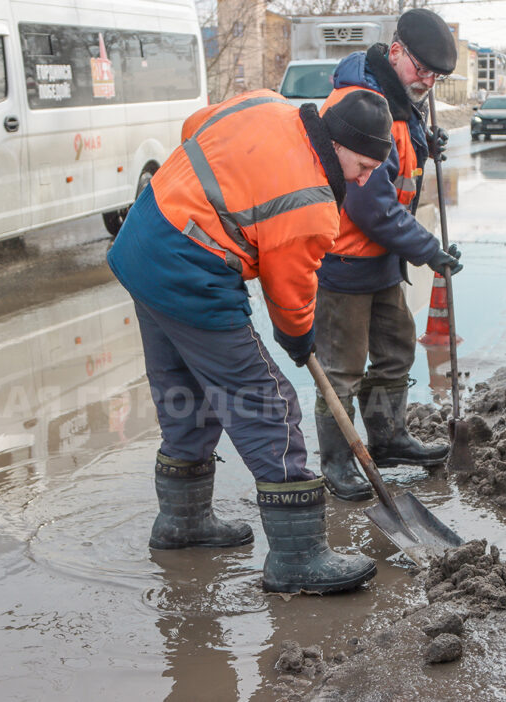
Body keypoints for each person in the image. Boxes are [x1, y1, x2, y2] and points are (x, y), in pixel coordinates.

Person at [107, 88, 394, 594]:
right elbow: (289, 297)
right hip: (190, 266)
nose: (366, 178)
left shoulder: (266, 103)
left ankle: (182, 523)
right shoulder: (312, 203)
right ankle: (298, 558)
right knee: (270, 403)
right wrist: (299, 341)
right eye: (364, 165)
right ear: (340, 143)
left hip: (143, 237)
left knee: (186, 394)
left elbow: (193, 127)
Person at [313, 9, 463, 502]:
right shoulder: (363, 103)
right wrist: (430, 251)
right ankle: (338, 462)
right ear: (395, 50)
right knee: (342, 370)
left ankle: (388, 437)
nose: (428, 81)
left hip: (379, 263)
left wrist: (424, 144)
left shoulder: (401, 100)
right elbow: (370, 206)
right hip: (343, 261)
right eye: (421, 69)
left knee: (396, 350)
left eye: (436, 76)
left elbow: (398, 165)